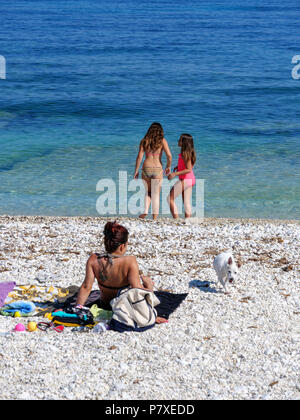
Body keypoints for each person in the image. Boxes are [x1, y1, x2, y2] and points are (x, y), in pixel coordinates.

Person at [76, 221, 167, 324]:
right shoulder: (129, 261)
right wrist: (149, 286)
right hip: (122, 308)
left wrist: (77, 309)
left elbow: (86, 287)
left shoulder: (94, 259)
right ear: (122, 246)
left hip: (104, 305)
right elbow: (137, 290)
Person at [134, 122, 172, 220]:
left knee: (148, 192)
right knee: (156, 194)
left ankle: (146, 210)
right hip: (157, 169)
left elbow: (139, 157)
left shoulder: (144, 141)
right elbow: (169, 156)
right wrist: (168, 166)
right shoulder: (162, 141)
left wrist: (136, 170)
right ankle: (154, 218)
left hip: (146, 168)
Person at [167, 134, 196, 219]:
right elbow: (187, 165)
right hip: (190, 179)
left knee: (170, 198)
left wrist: (174, 174)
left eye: (180, 140)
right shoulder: (188, 152)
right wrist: (178, 167)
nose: (178, 141)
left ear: (184, 143)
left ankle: (176, 219)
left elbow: (189, 169)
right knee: (186, 201)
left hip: (186, 179)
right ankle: (188, 220)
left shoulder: (185, 153)